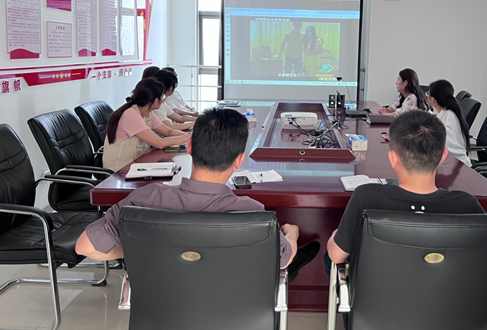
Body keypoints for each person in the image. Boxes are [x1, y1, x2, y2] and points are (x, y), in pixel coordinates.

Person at [76, 108, 320, 281]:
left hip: (163, 315)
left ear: (189, 147)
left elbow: (85, 246)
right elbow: (284, 259)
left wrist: (144, 247)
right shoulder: (251, 211)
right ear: (239, 161)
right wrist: (292, 234)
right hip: (230, 314)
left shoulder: (143, 200)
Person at [327, 110, 483, 265]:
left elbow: (336, 256)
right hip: (448, 281)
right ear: (443, 155)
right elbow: (486, 258)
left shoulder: (366, 196)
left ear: (393, 158)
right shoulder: (467, 204)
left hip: (382, 281)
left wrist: (336, 235)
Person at [102, 78, 191, 172]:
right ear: (155, 101)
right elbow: (159, 143)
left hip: (137, 165)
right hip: (119, 171)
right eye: (162, 97)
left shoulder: (147, 113)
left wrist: (189, 136)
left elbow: (168, 131)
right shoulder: (130, 115)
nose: (163, 100)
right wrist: (189, 137)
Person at [427, 79, 472, 167]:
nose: (426, 95)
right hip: (450, 163)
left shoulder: (449, 116)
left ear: (432, 100)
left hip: (457, 167)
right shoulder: (446, 113)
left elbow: (439, 142)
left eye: (428, 93)